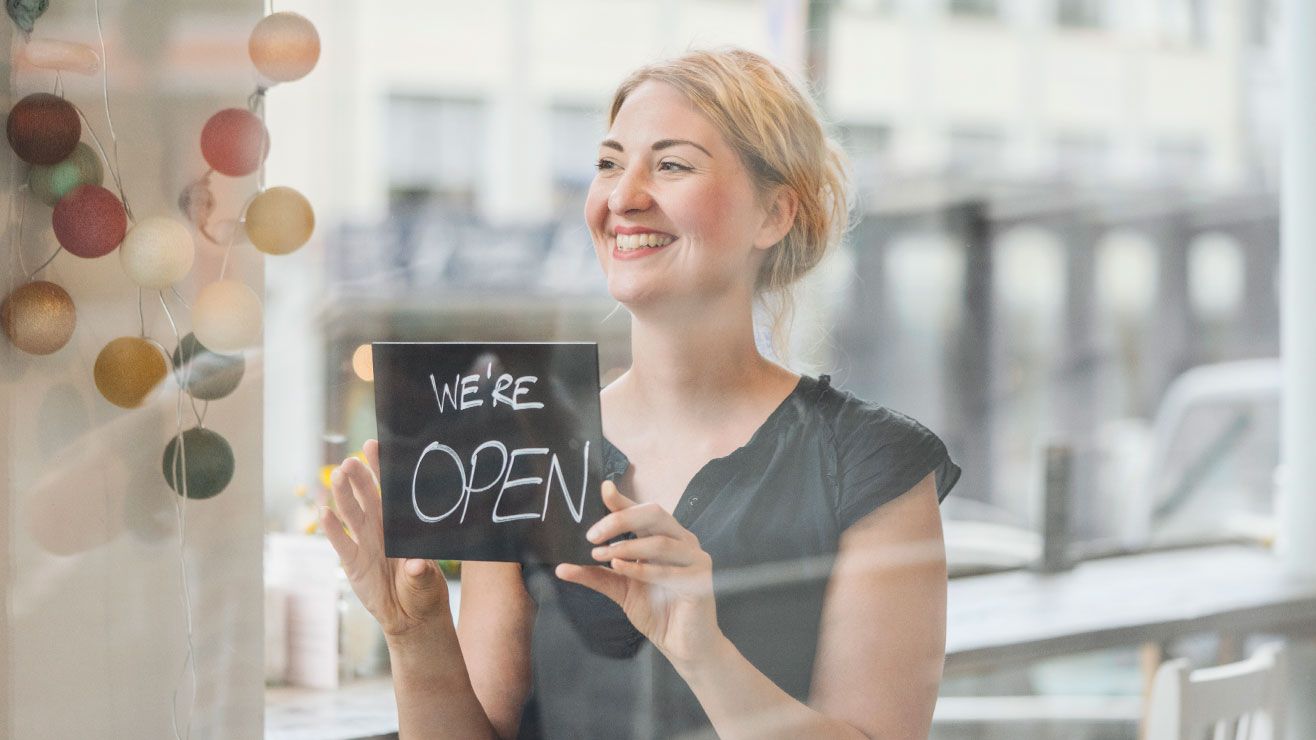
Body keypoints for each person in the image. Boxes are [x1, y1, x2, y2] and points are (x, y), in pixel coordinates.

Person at [324, 46, 961, 739]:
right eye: (607, 163)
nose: (622, 197)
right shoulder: (521, 439)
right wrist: (412, 631)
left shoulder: (874, 466)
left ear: (774, 214)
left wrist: (702, 650)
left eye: (672, 164)